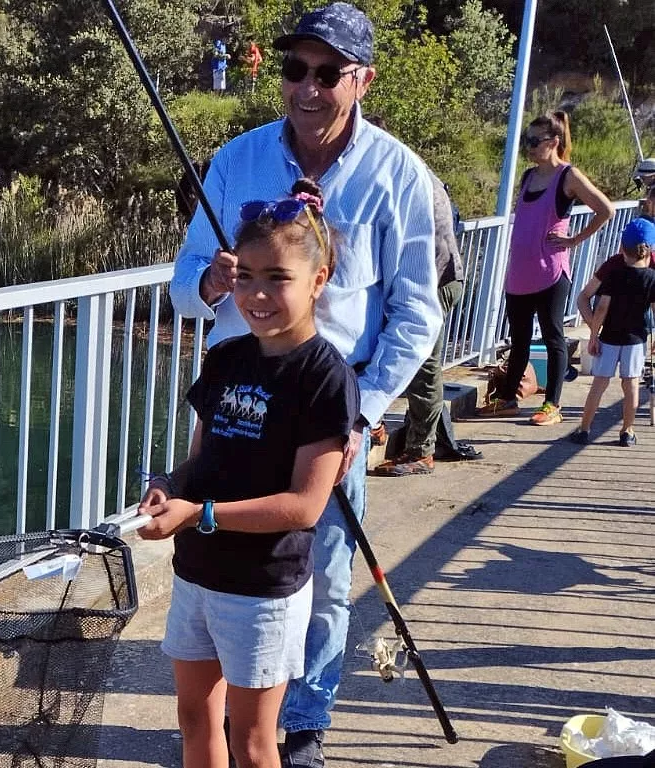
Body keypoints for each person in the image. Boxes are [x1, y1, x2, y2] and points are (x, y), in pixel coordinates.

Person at [168, 4, 442, 765]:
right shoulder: (236, 160)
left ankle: (304, 724)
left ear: (363, 80)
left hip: (329, 398)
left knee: (317, 574)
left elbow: (418, 312)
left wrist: (364, 413)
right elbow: (182, 287)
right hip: (235, 397)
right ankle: (228, 715)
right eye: (296, 69)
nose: (309, 88)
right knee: (217, 548)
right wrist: (213, 283)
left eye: (329, 73)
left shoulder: (399, 174)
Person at [139, 179, 360, 768]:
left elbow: (304, 506)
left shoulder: (326, 377)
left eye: (278, 278)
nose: (257, 295)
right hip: (198, 574)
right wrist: (171, 487)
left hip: (263, 589)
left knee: (254, 741)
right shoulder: (225, 357)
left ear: (319, 280)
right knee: (194, 722)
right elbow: (200, 462)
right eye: (246, 277)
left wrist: (200, 515)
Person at [359, 115, 482, 475]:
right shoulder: (404, 166)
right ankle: (378, 426)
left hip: (435, 279)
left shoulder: (400, 173)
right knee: (384, 347)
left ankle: (420, 453)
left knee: (422, 365)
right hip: (432, 276)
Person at [475, 111, 615, 424]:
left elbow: (605, 209)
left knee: (553, 336)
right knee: (519, 338)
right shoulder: (528, 176)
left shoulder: (568, 176)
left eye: (534, 141)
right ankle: (508, 398)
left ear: (553, 142)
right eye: (527, 140)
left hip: (551, 272)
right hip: (520, 273)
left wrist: (574, 239)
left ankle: (552, 404)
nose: (529, 146)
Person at [570, 218, 655, 446]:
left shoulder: (614, 273)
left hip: (609, 337)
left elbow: (601, 307)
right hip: (636, 340)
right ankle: (627, 431)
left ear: (622, 246)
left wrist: (594, 335)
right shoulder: (652, 278)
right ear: (649, 249)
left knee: (599, 384)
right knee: (631, 385)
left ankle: (584, 429)